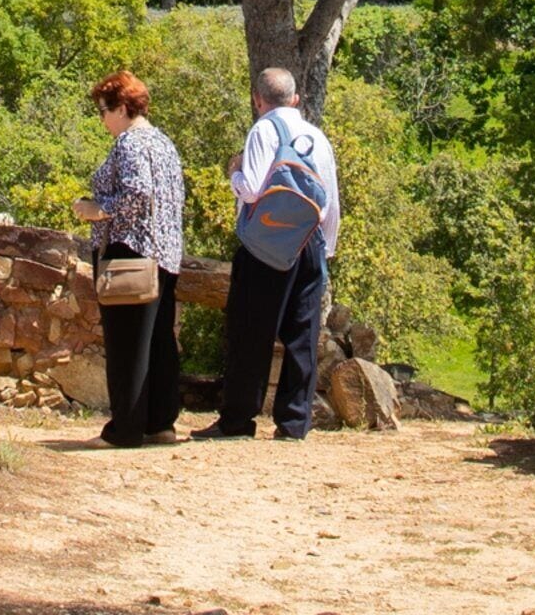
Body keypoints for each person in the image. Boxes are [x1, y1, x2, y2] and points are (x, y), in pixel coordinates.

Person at [208, 63, 339, 440]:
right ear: (296, 99)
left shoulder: (263, 129)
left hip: (265, 245)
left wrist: (233, 171)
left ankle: (237, 420)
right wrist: (324, 250)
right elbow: (329, 199)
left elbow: (250, 189)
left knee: (251, 331)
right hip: (309, 242)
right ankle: (294, 422)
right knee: (302, 332)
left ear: (258, 99)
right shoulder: (317, 136)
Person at [71, 70, 187, 446]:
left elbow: (137, 194)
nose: (102, 119)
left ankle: (125, 429)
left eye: (104, 111)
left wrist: (97, 209)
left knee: (127, 344)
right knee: (158, 342)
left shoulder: (130, 144)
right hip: (164, 256)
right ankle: (159, 422)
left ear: (122, 108)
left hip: (131, 252)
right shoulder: (164, 143)